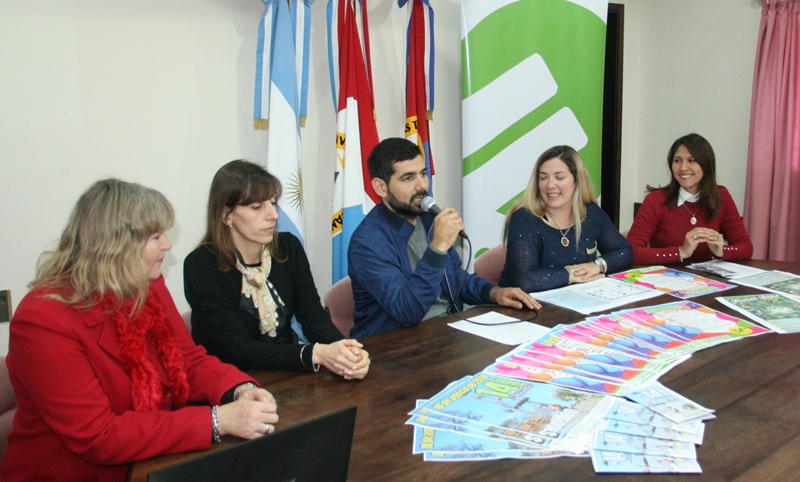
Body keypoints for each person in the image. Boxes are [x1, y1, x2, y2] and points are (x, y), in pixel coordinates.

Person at [0, 179, 279, 481]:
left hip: (153, 464)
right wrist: (216, 421)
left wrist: (240, 389)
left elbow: (188, 360)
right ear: (115, 246)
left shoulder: (146, 283)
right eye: (156, 236)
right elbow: (98, 436)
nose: (168, 245)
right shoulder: (42, 320)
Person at [184, 160, 369, 380]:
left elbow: (312, 317)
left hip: (288, 373)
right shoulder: (200, 265)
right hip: (229, 382)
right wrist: (315, 354)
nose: (274, 214)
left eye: (272, 203)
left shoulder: (288, 247)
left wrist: (344, 351)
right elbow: (237, 349)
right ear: (227, 216)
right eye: (257, 207)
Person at [348, 137, 541, 339]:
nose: (422, 185)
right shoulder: (368, 243)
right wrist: (437, 247)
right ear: (381, 187)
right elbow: (407, 311)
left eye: (423, 174)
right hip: (394, 345)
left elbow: (455, 279)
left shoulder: (428, 219)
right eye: (408, 178)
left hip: (446, 331)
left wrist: (493, 293)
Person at [500, 145, 633, 292]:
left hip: (577, 299)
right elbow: (524, 280)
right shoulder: (524, 218)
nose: (550, 185)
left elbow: (624, 251)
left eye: (559, 177)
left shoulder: (591, 213)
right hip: (526, 303)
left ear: (577, 180)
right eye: (543, 177)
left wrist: (597, 265)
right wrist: (571, 275)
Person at [627, 133, 753, 264]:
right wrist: (681, 252)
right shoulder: (656, 200)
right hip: (668, 274)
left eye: (691, 160)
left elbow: (746, 248)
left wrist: (721, 251)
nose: (683, 168)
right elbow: (631, 251)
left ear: (706, 164)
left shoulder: (721, 196)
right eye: (677, 160)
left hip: (706, 275)